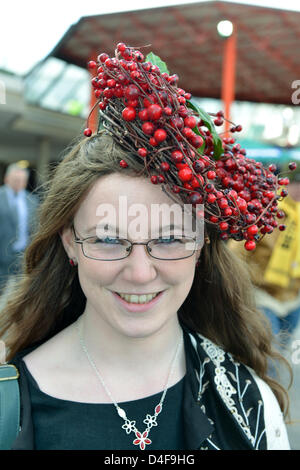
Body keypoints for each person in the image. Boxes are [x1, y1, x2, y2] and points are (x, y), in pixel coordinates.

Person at [0, 44, 293, 451]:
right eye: (107, 239)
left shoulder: (251, 405)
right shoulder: (7, 411)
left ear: (201, 245)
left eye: (170, 239)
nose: (140, 273)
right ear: (70, 242)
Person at [229, 176, 300, 348]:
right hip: (262, 297)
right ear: (287, 184)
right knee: (268, 354)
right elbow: (235, 254)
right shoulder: (266, 212)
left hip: (293, 298)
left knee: (281, 350)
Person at [0, 164, 39, 294]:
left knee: (20, 295)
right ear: (6, 179)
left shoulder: (32, 200)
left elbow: (35, 227)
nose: (19, 183)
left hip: (22, 256)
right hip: (2, 256)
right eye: (15, 179)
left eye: (21, 180)